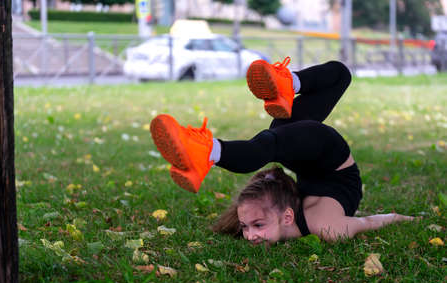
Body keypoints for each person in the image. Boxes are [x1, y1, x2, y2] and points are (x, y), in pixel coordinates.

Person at [150, 57, 416, 244]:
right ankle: (207, 152)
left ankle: (288, 84)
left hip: (303, 160)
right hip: (328, 153)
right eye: (251, 226)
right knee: (270, 143)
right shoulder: (328, 227)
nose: (250, 235)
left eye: (252, 226)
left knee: (340, 75)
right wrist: (404, 218)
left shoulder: (304, 221)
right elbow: (369, 222)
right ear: (287, 216)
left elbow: (369, 221)